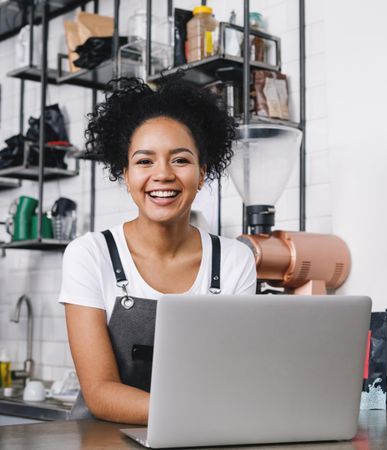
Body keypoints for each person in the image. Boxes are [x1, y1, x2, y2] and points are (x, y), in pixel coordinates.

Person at [59, 77, 257, 424]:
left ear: (202, 173)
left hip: (199, 440)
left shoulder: (233, 261)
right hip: (104, 442)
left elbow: (232, 374)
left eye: (180, 160)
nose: (162, 174)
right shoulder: (89, 254)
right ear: (125, 173)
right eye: (144, 161)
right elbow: (100, 391)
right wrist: (198, 413)